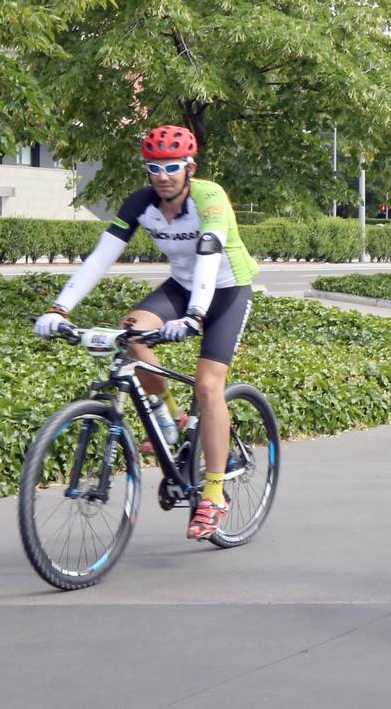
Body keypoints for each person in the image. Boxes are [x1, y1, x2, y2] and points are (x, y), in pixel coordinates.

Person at [33, 125, 258, 541]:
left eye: (172, 167)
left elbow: (209, 254)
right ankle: (171, 418)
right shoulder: (141, 202)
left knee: (208, 386)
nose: (163, 176)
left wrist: (193, 317)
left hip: (227, 289)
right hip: (182, 286)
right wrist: (59, 308)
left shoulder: (209, 198)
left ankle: (213, 496)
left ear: (190, 168)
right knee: (131, 332)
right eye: (154, 168)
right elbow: (101, 257)